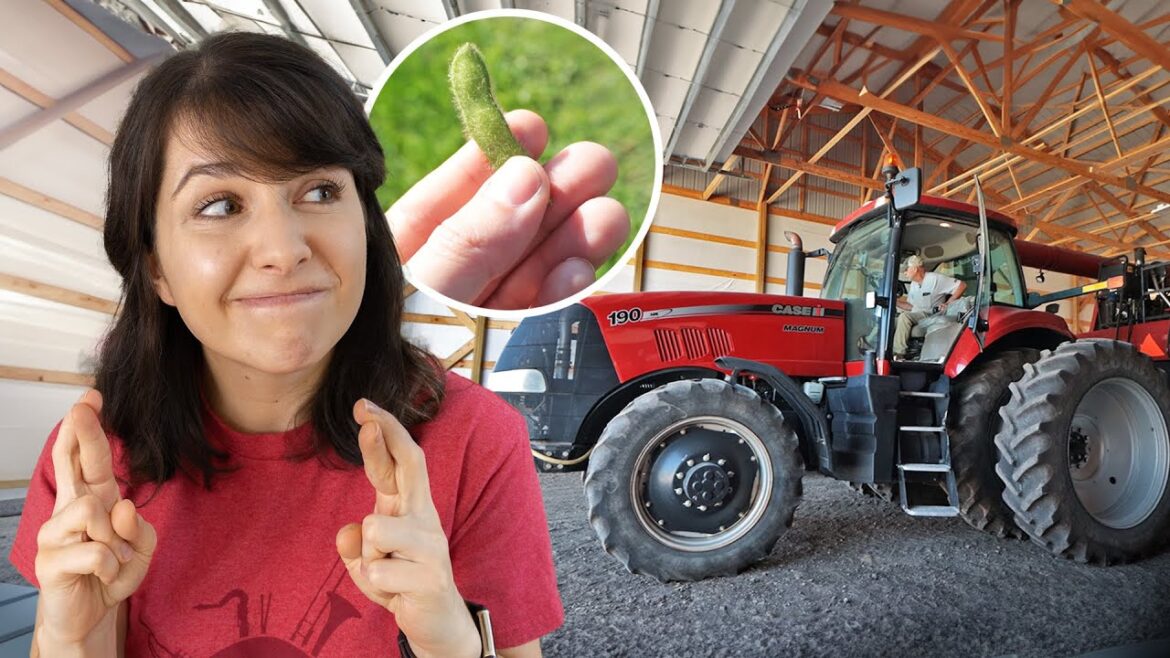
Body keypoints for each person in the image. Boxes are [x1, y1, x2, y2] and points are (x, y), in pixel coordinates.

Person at [8, 32, 563, 657]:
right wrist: (73, 638)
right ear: (155, 266)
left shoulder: (473, 439)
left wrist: (450, 639)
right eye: (220, 205)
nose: (283, 249)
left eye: (320, 191)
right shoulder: (93, 461)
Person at [893, 254, 967, 360]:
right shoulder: (914, 284)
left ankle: (898, 354)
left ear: (914, 269)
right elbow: (911, 307)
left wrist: (948, 303)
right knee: (891, 320)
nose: (904, 273)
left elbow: (962, 285)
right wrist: (894, 302)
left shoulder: (935, 279)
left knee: (904, 317)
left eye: (906, 270)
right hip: (917, 315)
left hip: (931, 315)